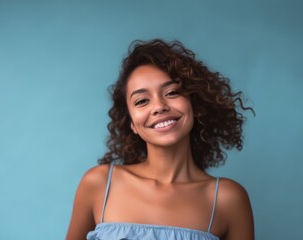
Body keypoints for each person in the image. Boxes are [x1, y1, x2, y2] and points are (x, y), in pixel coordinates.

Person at [66, 39, 255, 240]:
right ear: (131, 123)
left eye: (172, 92)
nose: (159, 106)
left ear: (195, 105)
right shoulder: (100, 184)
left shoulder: (228, 199)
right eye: (142, 101)